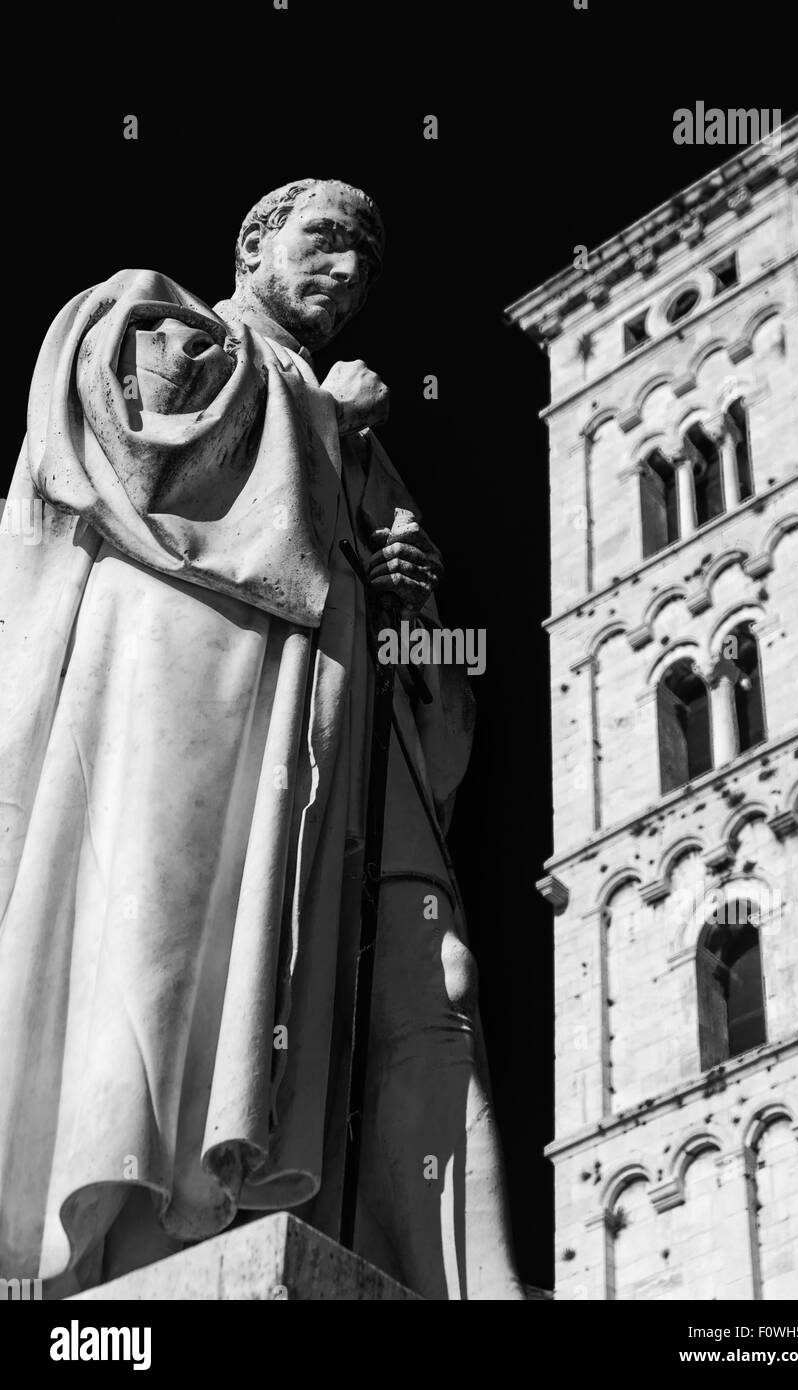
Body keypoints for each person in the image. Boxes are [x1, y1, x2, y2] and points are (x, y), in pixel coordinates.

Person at [0, 178, 524, 1299]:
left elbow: (429, 723)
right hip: (191, 699)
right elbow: (139, 442)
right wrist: (324, 421)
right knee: (162, 938)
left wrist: (409, 601)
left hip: (325, 750)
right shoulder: (161, 318)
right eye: (327, 239)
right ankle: (130, 1228)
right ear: (255, 239)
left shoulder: (366, 449)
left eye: (368, 264)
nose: (347, 272)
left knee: (376, 978)